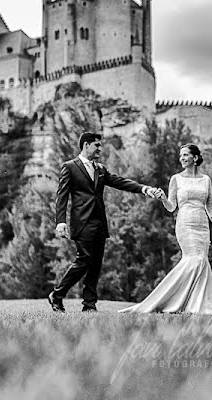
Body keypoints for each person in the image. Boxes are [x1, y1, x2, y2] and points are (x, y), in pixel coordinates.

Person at [48, 131, 163, 312]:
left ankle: (89, 305)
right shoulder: (69, 167)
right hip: (82, 222)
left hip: (99, 223)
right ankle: (57, 294)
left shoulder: (100, 169)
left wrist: (144, 189)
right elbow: (61, 196)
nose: (100, 149)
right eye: (97, 145)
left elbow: (120, 182)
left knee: (95, 265)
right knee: (83, 260)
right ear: (86, 145)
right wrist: (60, 222)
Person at [119, 143, 212, 314]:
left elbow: (211, 207)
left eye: (185, 155)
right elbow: (171, 206)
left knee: (202, 260)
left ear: (195, 158)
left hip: (203, 226)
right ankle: (169, 299)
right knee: (195, 259)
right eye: (180, 155)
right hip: (185, 224)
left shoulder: (206, 180)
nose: (181, 158)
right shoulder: (176, 179)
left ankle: (195, 304)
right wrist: (163, 198)